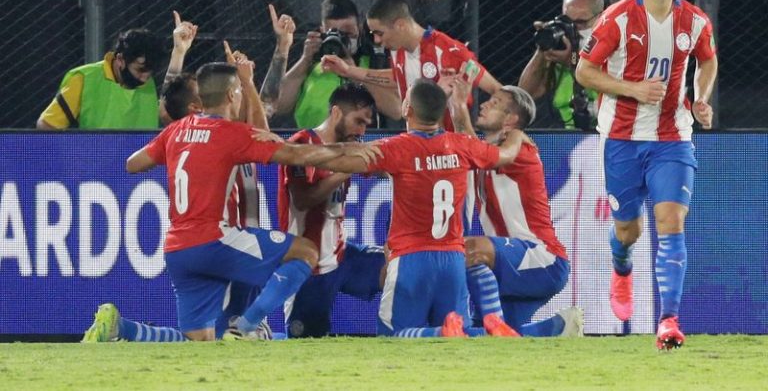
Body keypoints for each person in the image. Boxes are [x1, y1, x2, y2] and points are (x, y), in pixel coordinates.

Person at [83, 62, 380, 342]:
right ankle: (246, 326)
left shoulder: (177, 130)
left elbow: (133, 164)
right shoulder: (230, 134)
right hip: (217, 240)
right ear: (230, 95)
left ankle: (120, 327)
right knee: (305, 252)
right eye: (239, 90)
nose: (240, 96)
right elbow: (294, 154)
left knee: (199, 341)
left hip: (178, 248)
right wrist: (344, 150)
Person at [575, 0, 718, 350]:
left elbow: (707, 58)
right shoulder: (618, 19)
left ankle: (668, 321)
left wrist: (701, 99)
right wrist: (632, 90)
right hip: (621, 138)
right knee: (628, 230)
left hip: (673, 139)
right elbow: (584, 72)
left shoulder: (694, 21)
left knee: (671, 222)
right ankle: (621, 270)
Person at [317, 79, 523, 338]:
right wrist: (516, 136)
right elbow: (505, 156)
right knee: (460, 340)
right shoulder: (463, 145)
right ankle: (489, 329)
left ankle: (437, 333)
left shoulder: (396, 148)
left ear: (407, 110)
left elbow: (342, 158)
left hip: (411, 260)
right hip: (453, 261)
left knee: (394, 336)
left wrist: (294, 150)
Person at [448, 68, 583, 337]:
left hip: (541, 256)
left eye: (495, 103)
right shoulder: (487, 149)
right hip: (508, 259)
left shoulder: (519, 146)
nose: (485, 104)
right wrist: (456, 105)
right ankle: (559, 327)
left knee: (466, 249)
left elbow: (479, 150)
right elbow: (470, 145)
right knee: (488, 335)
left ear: (511, 120)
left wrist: (461, 107)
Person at [278, 83, 386, 337]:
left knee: (399, 266)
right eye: (358, 122)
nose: (361, 131)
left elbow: (385, 167)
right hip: (309, 267)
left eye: (366, 126)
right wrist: (346, 170)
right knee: (307, 342)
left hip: (342, 256)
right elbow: (303, 199)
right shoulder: (302, 145)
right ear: (336, 112)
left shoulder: (351, 148)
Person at [321, 0, 502, 130]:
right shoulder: (397, 51)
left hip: (452, 155)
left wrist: (499, 133)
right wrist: (347, 70)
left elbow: (497, 90)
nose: (376, 40)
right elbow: (398, 78)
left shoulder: (450, 52)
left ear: (400, 25)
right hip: (416, 147)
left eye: (379, 33)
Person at [260, 0, 390, 128]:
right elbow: (278, 106)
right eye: (334, 33)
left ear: (359, 29)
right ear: (322, 31)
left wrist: (352, 71)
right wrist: (305, 60)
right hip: (312, 142)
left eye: (348, 33)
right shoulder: (311, 66)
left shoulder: (372, 62)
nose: (341, 39)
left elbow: (394, 109)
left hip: (359, 142)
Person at [37, 28, 166, 129]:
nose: (144, 79)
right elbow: (47, 125)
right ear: (120, 59)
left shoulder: (150, 82)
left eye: (150, 73)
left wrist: (179, 51)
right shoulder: (84, 79)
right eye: (140, 70)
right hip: (93, 162)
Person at [519, 0, 604, 130]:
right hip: (567, 135)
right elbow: (525, 93)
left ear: (601, 16)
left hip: (606, 133)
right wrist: (543, 47)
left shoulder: (614, 44)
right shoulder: (561, 47)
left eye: (581, 22)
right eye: (567, 20)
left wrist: (571, 62)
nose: (573, 28)